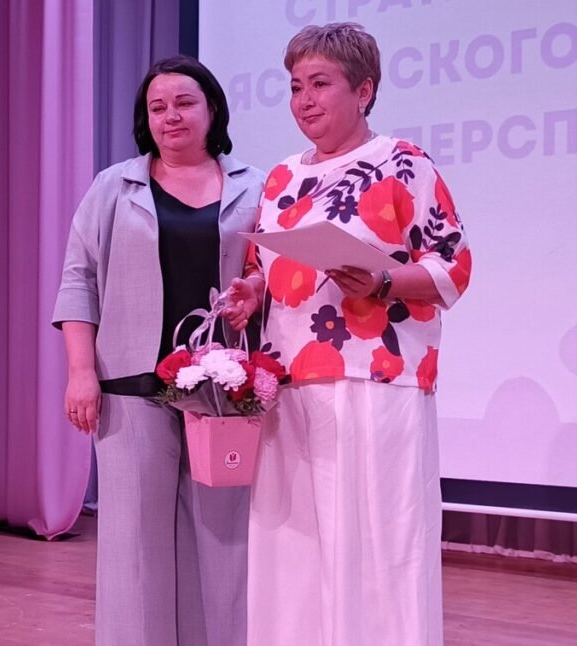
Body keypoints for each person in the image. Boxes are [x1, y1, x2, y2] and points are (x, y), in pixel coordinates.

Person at [225, 23, 471, 645]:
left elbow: (453, 268)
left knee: (380, 543)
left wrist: (383, 283)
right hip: (288, 380)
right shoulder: (281, 177)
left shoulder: (403, 163)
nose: (304, 99)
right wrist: (251, 289)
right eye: (295, 86)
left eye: (320, 84)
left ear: (364, 91)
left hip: (375, 378)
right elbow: (263, 267)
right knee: (294, 549)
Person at [52, 55, 264, 646]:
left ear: (212, 109)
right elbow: (78, 280)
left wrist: (255, 292)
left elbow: (272, 275)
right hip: (129, 391)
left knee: (223, 543)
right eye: (157, 107)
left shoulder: (255, 185)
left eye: (184, 103)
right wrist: (80, 372)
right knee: (134, 548)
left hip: (222, 393)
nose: (171, 116)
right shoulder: (113, 186)